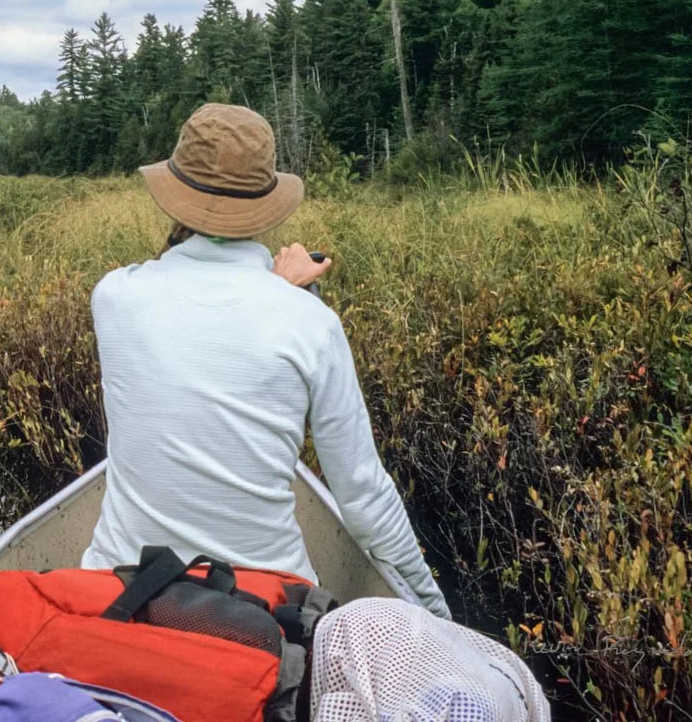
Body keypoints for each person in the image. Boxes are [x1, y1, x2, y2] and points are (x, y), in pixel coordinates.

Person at [79, 103, 449, 618]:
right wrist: (436, 613)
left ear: (174, 195)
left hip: (118, 591)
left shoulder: (112, 296)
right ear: (267, 203)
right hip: (265, 610)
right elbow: (364, 500)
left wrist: (274, 289)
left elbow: (200, 315)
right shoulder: (308, 324)